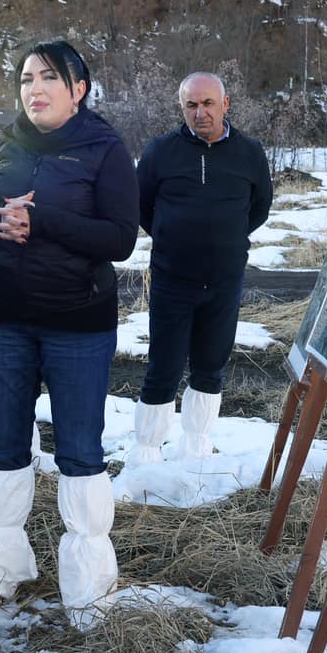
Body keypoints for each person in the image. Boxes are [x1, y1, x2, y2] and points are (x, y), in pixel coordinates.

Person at [0, 41, 138, 629]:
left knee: (78, 449)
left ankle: (88, 585)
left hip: (78, 322)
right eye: (27, 78)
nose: (35, 88)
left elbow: (120, 239)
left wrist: (44, 221)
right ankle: (0, 564)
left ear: (78, 89)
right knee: (2, 444)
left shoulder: (104, 148)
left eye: (49, 77)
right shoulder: (3, 142)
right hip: (5, 319)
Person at [131, 72, 272, 477]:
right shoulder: (161, 151)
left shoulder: (249, 152)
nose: (200, 113)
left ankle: (196, 450)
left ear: (225, 104)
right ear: (182, 107)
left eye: (208, 103)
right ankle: (146, 456)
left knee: (211, 365)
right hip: (172, 279)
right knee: (164, 367)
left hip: (225, 281)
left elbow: (259, 207)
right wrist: (172, 235)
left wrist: (225, 238)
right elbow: (141, 206)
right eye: (191, 105)